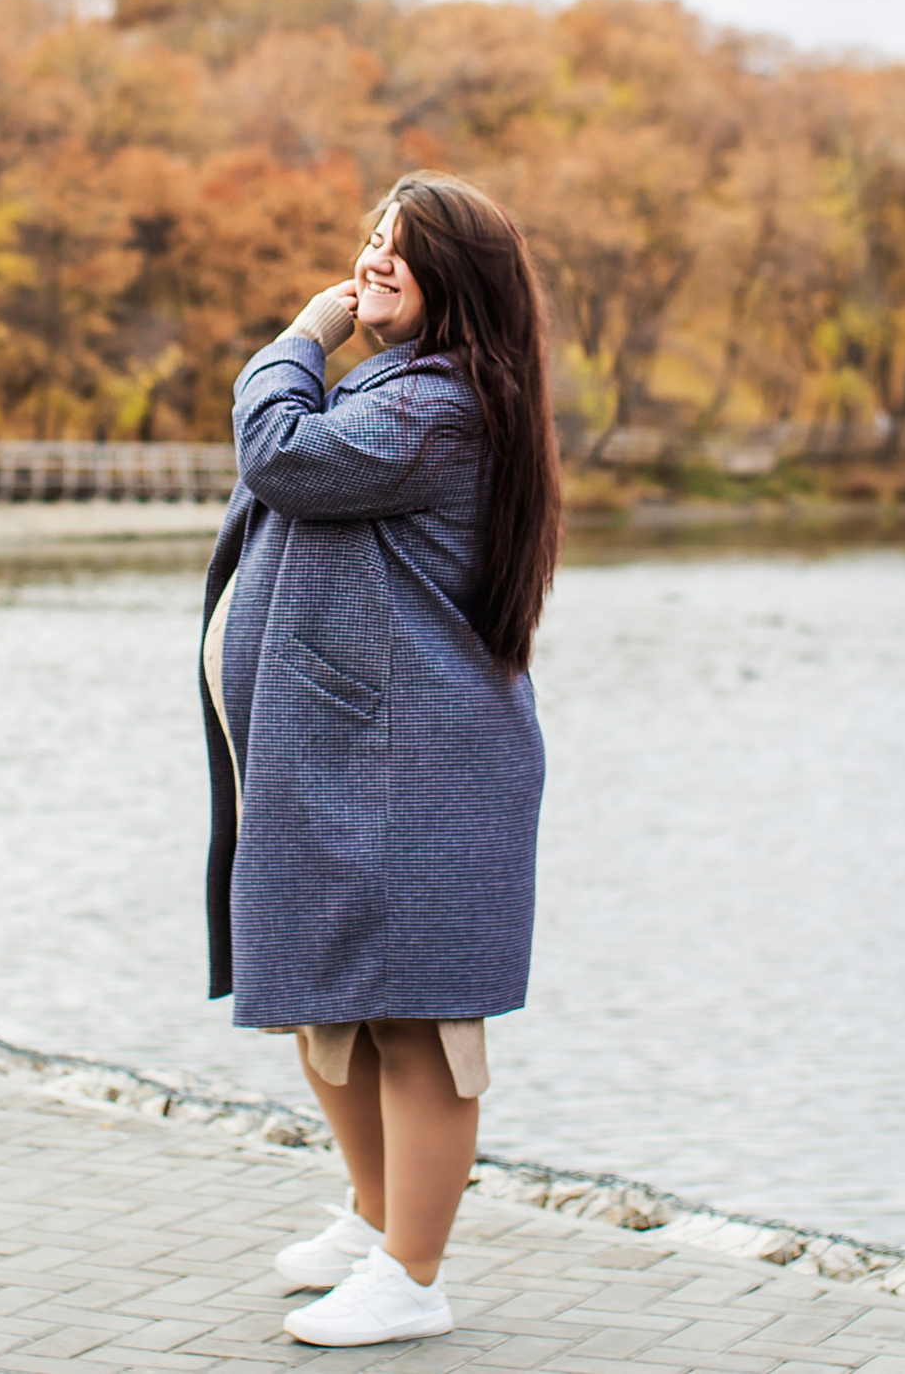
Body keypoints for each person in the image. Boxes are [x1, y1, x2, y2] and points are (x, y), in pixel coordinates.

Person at [199, 172, 563, 1348]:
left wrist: (303, 334)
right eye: (371, 238)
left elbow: (278, 452)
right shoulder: (400, 389)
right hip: (345, 759)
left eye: (405, 248)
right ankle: (374, 1221)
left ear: (459, 279)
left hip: (416, 768)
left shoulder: (441, 405)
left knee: (417, 1024)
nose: (373, 259)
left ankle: (412, 1274)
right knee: (325, 1003)